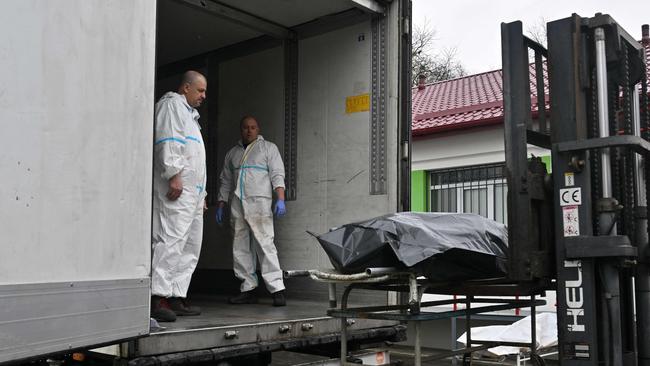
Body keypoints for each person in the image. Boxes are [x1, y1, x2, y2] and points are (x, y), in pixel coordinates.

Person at [151, 70, 208, 322]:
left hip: (193, 193)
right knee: (171, 239)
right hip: (178, 187)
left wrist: (202, 194)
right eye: (200, 90)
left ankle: (176, 295)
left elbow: (196, 160)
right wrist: (173, 173)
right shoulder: (171, 105)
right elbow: (168, 141)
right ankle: (157, 297)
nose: (204, 96)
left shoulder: (191, 117)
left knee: (190, 245)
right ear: (186, 87)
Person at [217, 116, 287, 306]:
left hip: (259, 204)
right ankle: (248, 287)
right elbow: (225, 180)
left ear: (258, 129)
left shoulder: (268, 148)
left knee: (265, 244)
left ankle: (277, 289)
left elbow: (277, 173)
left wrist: (280, 198)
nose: (249, 131)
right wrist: (221, 203)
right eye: (246, 127)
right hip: (238, 203)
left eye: (253, 127)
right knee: (239, 247)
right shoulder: (232, 154)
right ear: (241, 130)